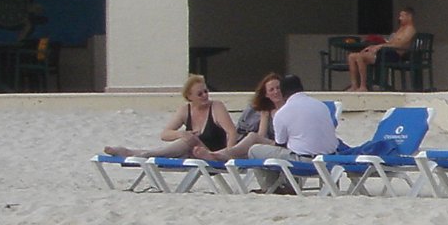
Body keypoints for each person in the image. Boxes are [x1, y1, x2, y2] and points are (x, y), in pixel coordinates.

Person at [103, 75, 235, 159]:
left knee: (189, 140)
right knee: (187, 139)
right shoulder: (185, 110)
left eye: (206, 91)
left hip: (213, 154)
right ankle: (138, 153)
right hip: (193, 153)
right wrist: (181, 134)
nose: (205, 96)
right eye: (200, 94)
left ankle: (137, 153)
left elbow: (231, 131)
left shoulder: (216, 107)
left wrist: (228, 154)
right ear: (190, 97)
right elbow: (165, 134)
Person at [223, 74, 337, 161]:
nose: (276, 92)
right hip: (330, 159)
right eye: (271, 90)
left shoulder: (283, 113)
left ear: (284, 92)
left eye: (278, 88)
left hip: (304, 160)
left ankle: (270, 187)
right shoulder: (321, 105)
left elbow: (280, 145)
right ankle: (224, 154)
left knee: (254, 150)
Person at [346, 7, 417, 93]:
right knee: (352, 56)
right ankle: (354, 85)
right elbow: (390, 42)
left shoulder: (410, 30)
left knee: (360, 57)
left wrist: (380, 46)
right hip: (386, 51)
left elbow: (399, 44)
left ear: (409, 16)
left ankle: (363, 86)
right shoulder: (400, 29)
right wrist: (375, 46)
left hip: (394, 54)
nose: (399, 18)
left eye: (402, 16)